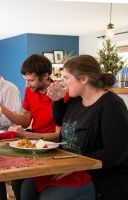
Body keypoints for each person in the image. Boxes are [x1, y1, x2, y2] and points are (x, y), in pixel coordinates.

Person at [22, 55, 128, 200]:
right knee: (28, 186)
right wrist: (57, 100)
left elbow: (115, 153)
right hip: (69, 164)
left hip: (99, 175)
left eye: (66, 78)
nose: (62, 83)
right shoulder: (76, 100)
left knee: (50, 198)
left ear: (83, 79)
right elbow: (61, 121)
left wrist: (75, 165)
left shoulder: (111, 105)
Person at [0, 54, 61, 200]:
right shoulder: (31, 91)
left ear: (45, 76)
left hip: (52, 147)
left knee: (26, 185)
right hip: (33, 143)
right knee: (14, 175)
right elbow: (25, 121)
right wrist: (3, 108)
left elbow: (58, 135)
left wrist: (29, 135)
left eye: (31, 80)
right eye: (25, 80)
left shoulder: (60, 95)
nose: (27, 85)